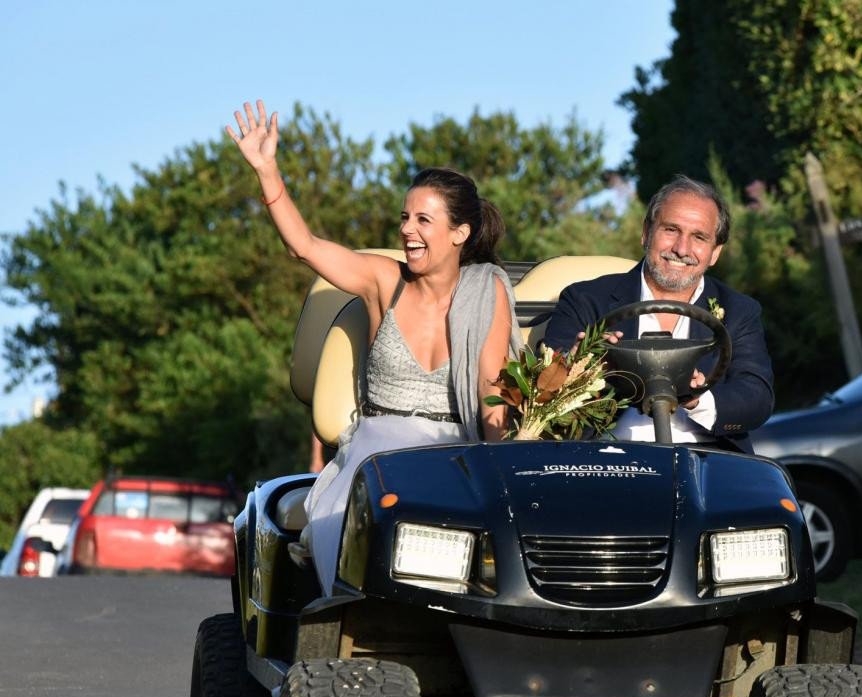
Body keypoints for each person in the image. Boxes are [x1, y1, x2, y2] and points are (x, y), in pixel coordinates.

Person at [227, 100, 521, 594]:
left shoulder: (485, 290)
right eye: (405, 217)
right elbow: (305, 246)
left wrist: (504, 485)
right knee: (349, 533)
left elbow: (491, 392)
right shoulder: (383, 280)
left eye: (423, 221)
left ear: (460, 233)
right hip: (377, 453)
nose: (407, 230)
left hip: (452, 452)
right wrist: (267, 170)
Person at [541, 175, 774, 453]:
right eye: (671, 230)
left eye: (699, 237)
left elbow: (757, 397)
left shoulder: (739, 310)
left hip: (710, 461)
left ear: (715, 253)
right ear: (646, 233)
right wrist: (580, 371)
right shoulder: (585, 300)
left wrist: (697, 398)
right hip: (606, 461)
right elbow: (543, 390)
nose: (682, 249)